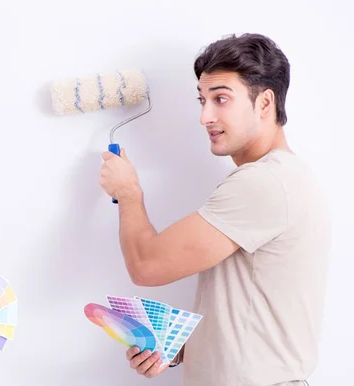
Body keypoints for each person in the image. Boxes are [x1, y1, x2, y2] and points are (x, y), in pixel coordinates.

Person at [99, 33, 330, 386]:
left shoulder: (264, 183)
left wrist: (128, 193)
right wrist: (180, 348)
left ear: (265, 103)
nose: (205, 116)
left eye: (221, 99)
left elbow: (147, 266)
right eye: (202, 100)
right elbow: (252, 308)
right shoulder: (276, 179)